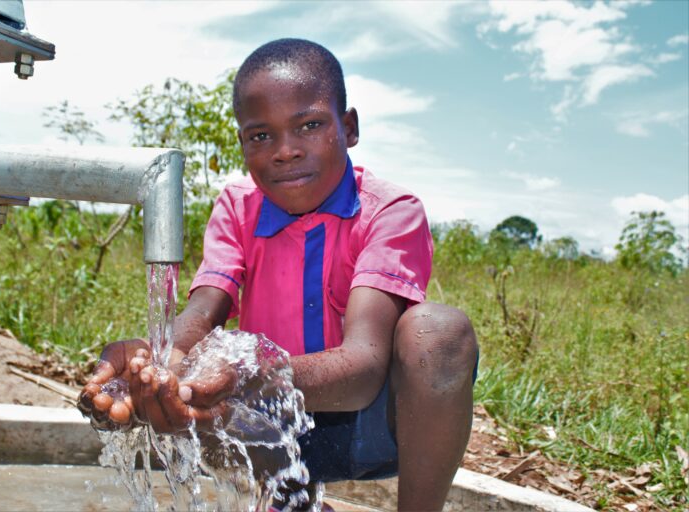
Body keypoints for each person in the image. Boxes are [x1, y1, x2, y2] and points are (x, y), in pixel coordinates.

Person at [79, 38, 479, 512]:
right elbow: (203, 310)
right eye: (261, 136)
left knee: (438, 332)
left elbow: (365, 368)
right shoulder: (237, 208)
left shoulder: (389, 212)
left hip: (376, 428)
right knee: (183, 382)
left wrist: (252, 372)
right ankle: (293, 504)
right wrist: (159, 363)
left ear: (348, 128)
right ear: (243, 143)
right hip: (268, 432)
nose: (285, 151)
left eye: (309, 126)